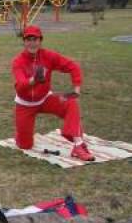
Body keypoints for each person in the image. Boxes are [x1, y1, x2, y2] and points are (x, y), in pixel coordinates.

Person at [11, 25, 95, 161]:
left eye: (35, 39)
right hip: (24, 105)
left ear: (40, 40)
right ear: (24, 42)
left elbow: (73, 66)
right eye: (28, 39)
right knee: (25, 145)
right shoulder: (18, 61)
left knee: (71, 101)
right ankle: (21, 135)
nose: (32, 43)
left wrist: (76, 88)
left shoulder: (49, 56)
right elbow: (20, 87)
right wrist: (34, 80)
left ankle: (78, 145)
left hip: (45, 99)